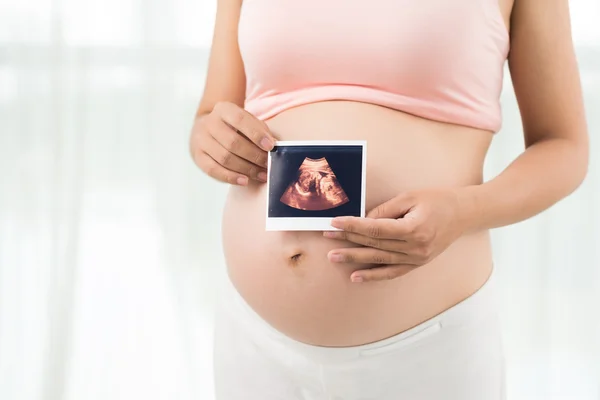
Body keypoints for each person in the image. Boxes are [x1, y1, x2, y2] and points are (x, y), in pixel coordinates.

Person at [190, 0, 589, 398]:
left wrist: (464, 211)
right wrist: (209, 138)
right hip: (255, 342)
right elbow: (210, 115)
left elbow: (564, 147)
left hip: (426, 348)